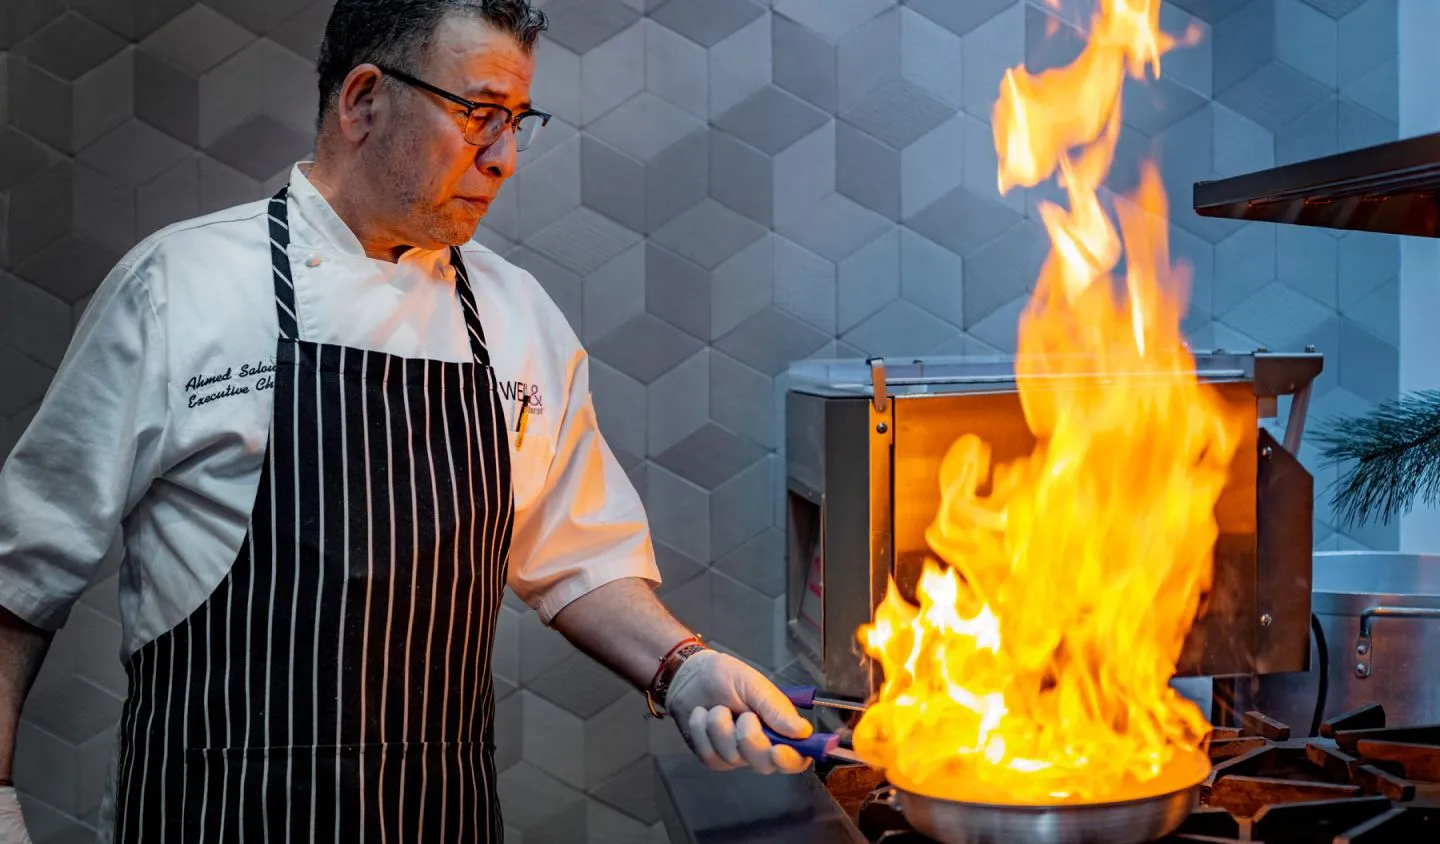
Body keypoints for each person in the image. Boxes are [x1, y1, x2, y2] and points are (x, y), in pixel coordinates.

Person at [0, 1, 814, 840]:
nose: (502, 158)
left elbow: (581, 557)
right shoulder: (179, 287)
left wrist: (685, 669)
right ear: (363, 100)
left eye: (516, 122)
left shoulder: (514, 314)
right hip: (211, 817)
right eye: (479, 115)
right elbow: (19, 576)